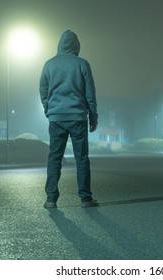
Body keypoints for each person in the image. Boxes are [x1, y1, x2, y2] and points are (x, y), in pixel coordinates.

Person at [39, 30, 98, 208]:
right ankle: (86, 198)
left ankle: (51, 199)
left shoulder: (49, 65)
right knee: (81, 158)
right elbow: (90, 94)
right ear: (76, 46)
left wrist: (48, 109)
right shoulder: (82, 64)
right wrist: (93, 116)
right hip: (78, 118)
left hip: (56, 119)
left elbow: (43, 90)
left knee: (54, 158)